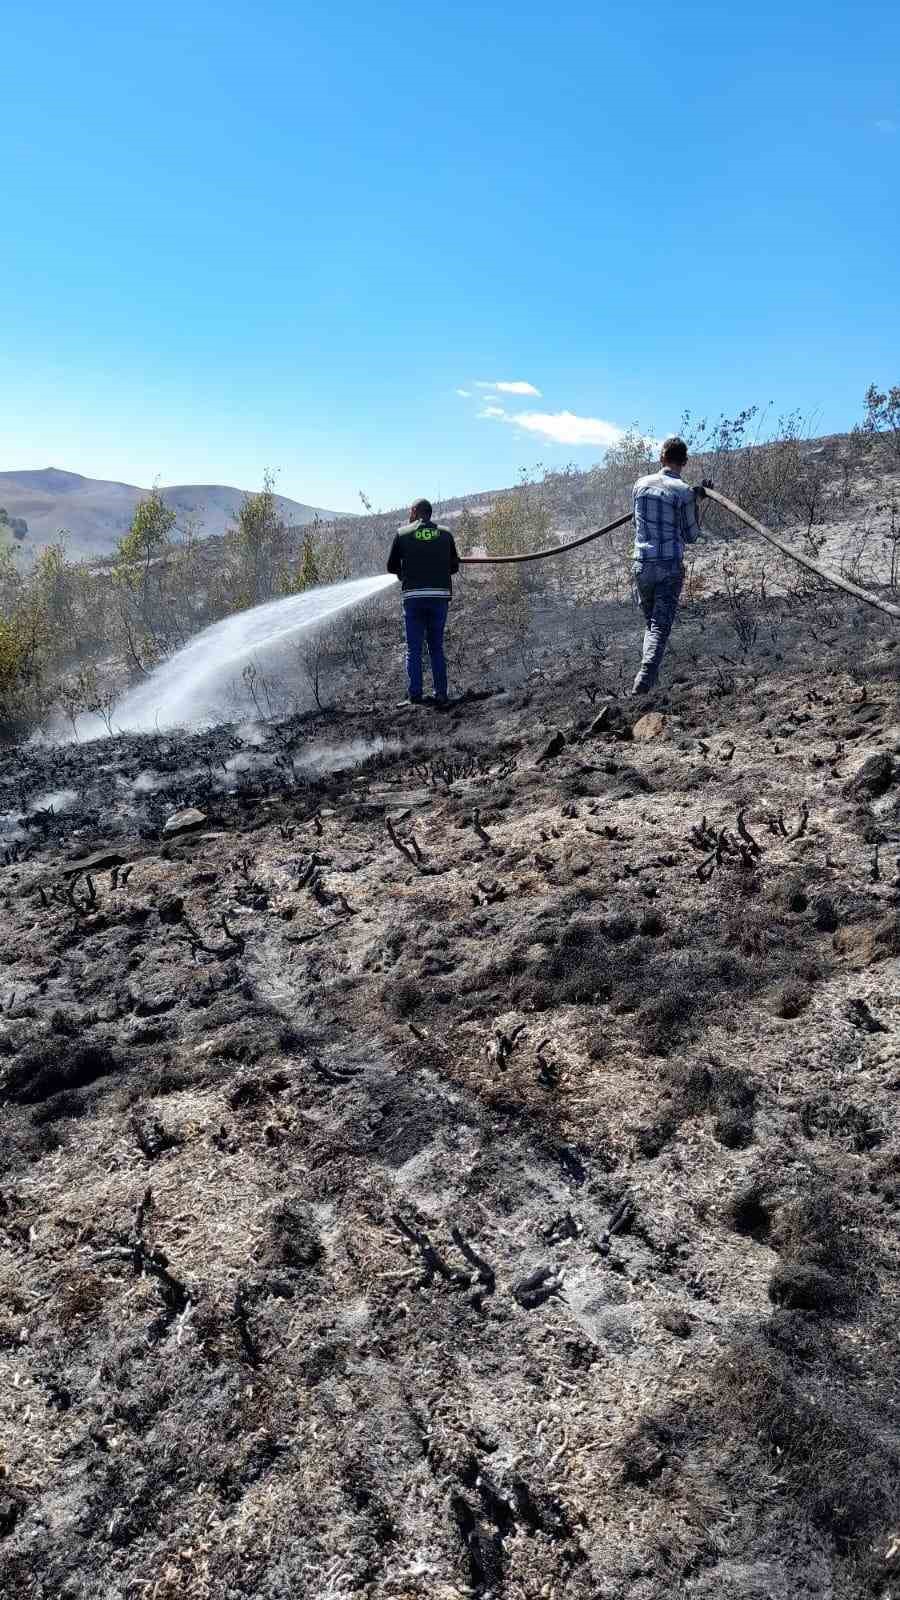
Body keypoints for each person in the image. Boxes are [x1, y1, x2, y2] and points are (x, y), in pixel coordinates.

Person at [630, 436, 706, 695]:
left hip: (642, 565)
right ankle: (644, 680)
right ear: (685, 461)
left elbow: (636, 524)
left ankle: (649, 680)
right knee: (659, 627)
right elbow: (691, 536)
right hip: (668, 567)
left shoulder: (640, 484)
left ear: (661, 457)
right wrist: (695, 503)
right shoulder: (683, 491)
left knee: (652, 625)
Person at [387, 498, 460, 706]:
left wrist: (404, 572)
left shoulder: (402, 534)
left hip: (414, 599)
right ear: (430, 513)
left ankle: (415, 696)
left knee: (414, 649)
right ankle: (441, 694)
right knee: (436, 648)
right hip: (439, 598)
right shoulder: (445, 534)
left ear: (414, 511)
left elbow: (391, 567)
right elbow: (454, 567)